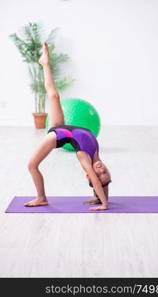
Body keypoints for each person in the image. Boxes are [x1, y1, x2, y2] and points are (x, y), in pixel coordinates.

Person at [24, 43, 111, 211]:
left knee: (31, 165)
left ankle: (41, 198)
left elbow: (95, 179)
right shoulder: (96, 152)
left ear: (90, 175)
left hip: (56, 136)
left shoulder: (84, 157)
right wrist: (101, 197)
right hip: (62, 128)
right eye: (105, 172)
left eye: (98, 175)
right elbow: (102, 182)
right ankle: (45, 64)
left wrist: (105, 204)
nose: (101, 170)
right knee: (54, 95)